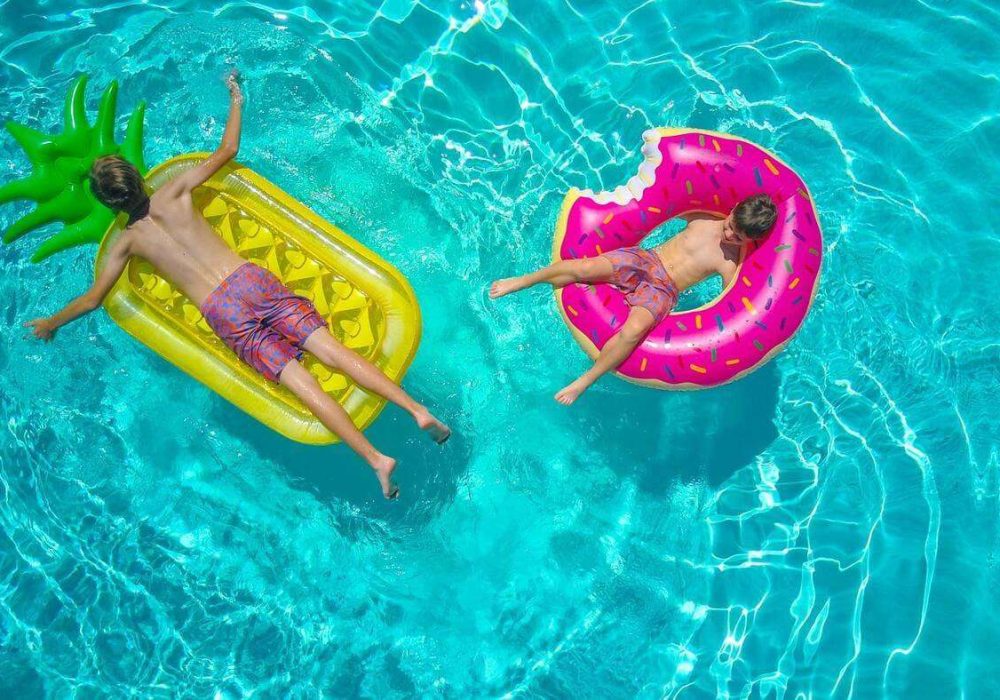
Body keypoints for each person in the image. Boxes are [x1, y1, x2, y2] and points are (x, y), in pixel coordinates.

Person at [24, 71, 449, 500]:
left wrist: (52, 322)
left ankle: (377, 460)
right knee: (334, 353)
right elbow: (228, 149)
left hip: (221, 311)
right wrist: (235, 98)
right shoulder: (174, 191)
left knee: (304, 386)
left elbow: (95, 298)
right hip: (248, 281)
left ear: (108, 204)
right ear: (137, 176)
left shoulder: (127, 241)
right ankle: (416, 409)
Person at [489, 194, 777, 404]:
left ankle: (585, 380)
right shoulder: (702, 217)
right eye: (730, 226)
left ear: (750, 241)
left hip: (664, 291)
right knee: (584, 267)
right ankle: (523, 281)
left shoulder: (731, 264)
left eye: (738, 238)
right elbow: (663, 204)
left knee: (634, 330)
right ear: (734, 208)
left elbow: (732, 308)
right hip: (646, 258)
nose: (728, 235)